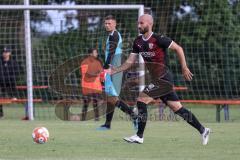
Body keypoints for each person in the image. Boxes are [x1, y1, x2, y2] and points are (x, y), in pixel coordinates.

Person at [107, 14, 211, 145]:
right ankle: (203, 130)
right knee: (178, 109)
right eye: (138, 23)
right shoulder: (138, 42)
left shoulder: (159, 39)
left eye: (142, 23)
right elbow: (130, 61)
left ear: (150, 24)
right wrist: (116, 70)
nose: (139, 25)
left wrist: (184, 67)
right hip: (158, 80)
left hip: (164, 79)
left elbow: (179, 48)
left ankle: (139, 136)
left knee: (141, 100)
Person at [97, 15, 137, 130]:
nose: (107, 25)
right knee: (110, 98)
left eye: (109, 23)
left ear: (115, 24)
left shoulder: (114, 35)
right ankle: (107, 124)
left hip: (114, 70)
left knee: (113, 98)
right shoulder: (111, 35)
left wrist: (105, 68)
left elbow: (112, 52)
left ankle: (134, 116)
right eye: (106, 23)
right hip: (113, 70)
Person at [80, 48, 103, 121]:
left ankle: (97, 118)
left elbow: (101, 73)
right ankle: (83, 119)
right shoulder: (84, 62)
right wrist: (96, 74)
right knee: (86, 103)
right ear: (91, 54)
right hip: (87, 87)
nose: (97, 54)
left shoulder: (98, 63)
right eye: (95, 52)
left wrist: (102, 79)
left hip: (96, 87)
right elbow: (86, 74)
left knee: (95, 103)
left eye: (96, 52)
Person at [0, 47, 19, 118]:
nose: (5, 53)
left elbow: (15, 74)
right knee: (0, 99)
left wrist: (7, 78)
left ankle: (13, 95)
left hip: (10, 83)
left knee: (12, 81)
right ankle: (1, 114)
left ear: (10, 53)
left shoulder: (13, 63)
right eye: (4, 52)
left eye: (6, 52)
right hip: (1, 83)